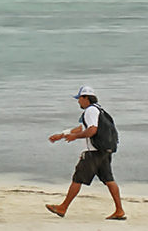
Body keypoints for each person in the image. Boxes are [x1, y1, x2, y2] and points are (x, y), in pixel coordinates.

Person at [46, 86, 126, 220]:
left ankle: (63, 207)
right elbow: (82, 128)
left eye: (79, 99)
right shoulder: (99, 110)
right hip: (104, 151)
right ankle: (119, 210)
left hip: (93, 152)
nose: (78, 102)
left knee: (78, 178)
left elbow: (92, 130)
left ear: (86, 98)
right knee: (109, 180)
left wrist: (75, 137)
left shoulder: (90, 111)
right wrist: (62, 135)